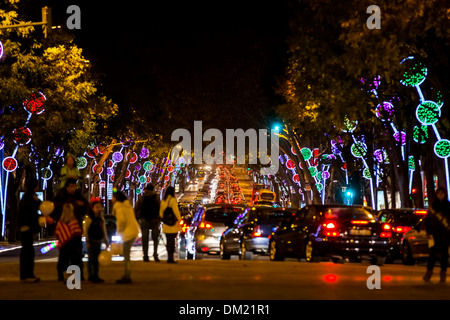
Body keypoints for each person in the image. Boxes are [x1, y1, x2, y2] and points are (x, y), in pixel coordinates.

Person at [52, 178, 89, 280]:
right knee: (64, 253)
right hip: (64, 227)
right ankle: (61, 273)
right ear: (67, 187)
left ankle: (78, 274)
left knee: (77, 253)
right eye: (71, 186)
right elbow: (55, 208)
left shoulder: (79, 196)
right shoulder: (61, 196)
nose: (73, 189)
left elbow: (85, 206)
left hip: (76, 228)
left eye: (74, 186)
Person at [112, 190, 140, 284]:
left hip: (128, 233)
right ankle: (126, 275)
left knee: (126, 256)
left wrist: (118, 232)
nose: (111, 199)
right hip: (133, 231)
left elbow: (121, 222)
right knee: (126, 255)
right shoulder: (128, 206)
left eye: (113, 197)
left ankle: (127, 276)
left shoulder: (119, 208)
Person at [17, 178, 42, 282]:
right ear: (34, 186)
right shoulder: (29, 197)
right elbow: (31, 211)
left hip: (26, 227)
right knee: (28, 252)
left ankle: (28, 274)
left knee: (28, 251)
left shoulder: (28, 197)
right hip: (27, 227)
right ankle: (27, 275)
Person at [424, 187, 450, 283]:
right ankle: (429, 272)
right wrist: (428, 232)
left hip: (445, 234)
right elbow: (428, 220)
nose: (440, 195)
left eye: (442, 193)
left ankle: (443, 273)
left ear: (444, 194)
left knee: (444, 255)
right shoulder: (433, 206)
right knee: (432, 254)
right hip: (434, 235)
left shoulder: (448, 206)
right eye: (439, 193)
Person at [55, 203, 83, 281]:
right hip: (73, 245)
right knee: (74, 261)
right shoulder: (74, 222)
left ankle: (62, 276)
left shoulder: (60, 223)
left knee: (63, 262)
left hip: (64, 245)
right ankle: (74, 277)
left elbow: (57, 234)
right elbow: (77, 234)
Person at [83, 199, 109, 283]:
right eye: (96, 207)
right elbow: (85, 230)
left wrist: (106, 240)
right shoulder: (89, 219)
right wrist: (87, 241)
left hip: (98, 241)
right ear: (92, 208)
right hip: (91, 241)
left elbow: (104, 230)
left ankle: (96, 275)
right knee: (91, 259)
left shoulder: (101, 219)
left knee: (97, 259)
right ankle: (91, 276)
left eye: (100, 207)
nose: (99, 208)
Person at [135, 184, 161, 262]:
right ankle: (155, 254)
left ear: (146, 190)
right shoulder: (156, 197)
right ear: (153, 189)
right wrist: (159, 219)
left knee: (144, 238)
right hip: (154, 220)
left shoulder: (141, 198)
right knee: (155, 238)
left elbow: (136, 208)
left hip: (144, 220)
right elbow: (160, 208)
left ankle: (145, 255)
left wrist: (137, 218)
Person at [159, 186, 181, 264]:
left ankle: (169, 257)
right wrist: (180, 219)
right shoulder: (172, 200)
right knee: (172, 241)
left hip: (166, 224)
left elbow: (161, 213)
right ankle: (171, 258)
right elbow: (176, 211)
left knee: (168, 241)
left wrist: (163, 220)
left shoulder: (163, 201)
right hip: (173, 224)